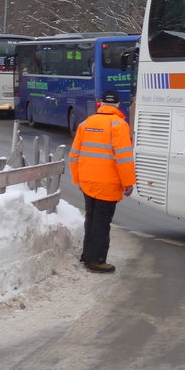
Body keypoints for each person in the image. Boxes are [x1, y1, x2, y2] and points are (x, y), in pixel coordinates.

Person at [69, 91, 135, 274]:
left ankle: (87, 255)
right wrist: (128, 183)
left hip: (87, 182)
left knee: (91, 219)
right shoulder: (119, 125)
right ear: (118, 105)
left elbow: (74, 155)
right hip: (108, 184)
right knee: (102, 222)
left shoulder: (86, 123)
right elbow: (124, 158)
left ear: (100, 103)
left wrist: (78, 179)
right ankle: (97, 261)